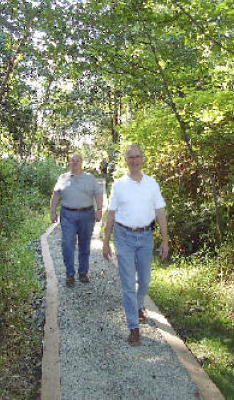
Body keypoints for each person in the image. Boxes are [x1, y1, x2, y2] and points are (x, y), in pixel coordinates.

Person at [102, 145, 169, 346]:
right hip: (123, 237)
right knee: (128, 284)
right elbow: (111, 214)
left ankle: (139, 306)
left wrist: (165, 240)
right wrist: (105, 242)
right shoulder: (119, 185)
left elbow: (160, 212)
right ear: (125, 160)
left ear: (143, 159)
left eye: (137, 156)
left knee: (145, 281)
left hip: (146, 236)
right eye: (130, 157)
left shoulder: (152, 184)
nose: (134, 160)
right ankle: (133, 327)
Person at [50, 153, 103, 286]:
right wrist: (53, 212)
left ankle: (83, 272)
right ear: (69, 163)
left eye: (77, 161)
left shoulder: (90, 178)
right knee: (67, 244)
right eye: (72, 161)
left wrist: (99, 210)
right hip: (68, 215)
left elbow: (98, 194)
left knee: (84, 244)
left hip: (87, 215)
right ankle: (70, 274)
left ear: (81, 163)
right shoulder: (63, 178)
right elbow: (55, 196)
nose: (74, 163)